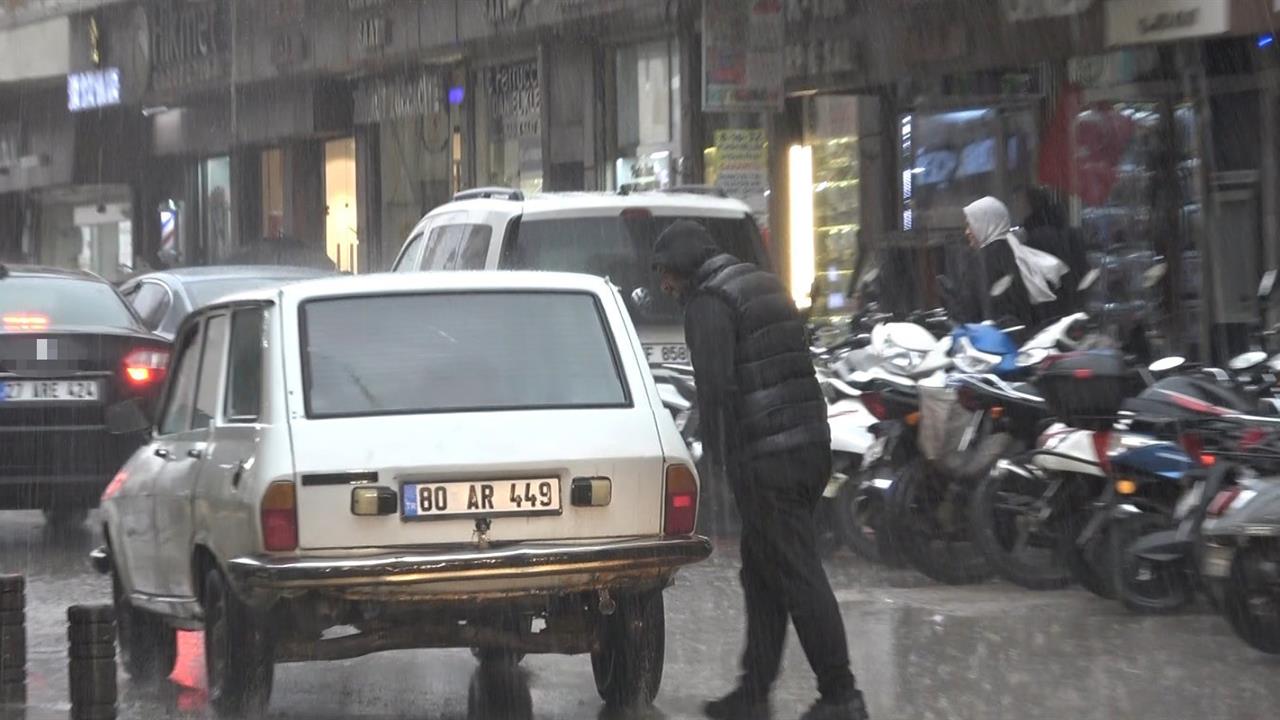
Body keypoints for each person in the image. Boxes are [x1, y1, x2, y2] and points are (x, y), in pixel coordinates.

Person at [651, 220, 868, 720]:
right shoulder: (763, 283)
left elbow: (716, 390)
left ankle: (842, 695)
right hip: (809, 446)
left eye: (665, 273)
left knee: (796, 571)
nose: (664, 285)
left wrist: (718, 465)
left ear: (683, 266)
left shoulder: (709, 302)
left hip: (768, 457)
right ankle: (754, 691)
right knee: (765, 573)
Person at [956, 196, 1068, 328]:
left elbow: (969, 309)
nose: (967, 232)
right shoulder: (1017, 251)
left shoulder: (982, 260)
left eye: (970, 224)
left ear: (985, 223)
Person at [1020, 186, 1088, 317]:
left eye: (1020, 202)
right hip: (1072, 298)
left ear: (1030, 204)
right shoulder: (1063, 229)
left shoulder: (1037, 236)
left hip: (1052, 305)